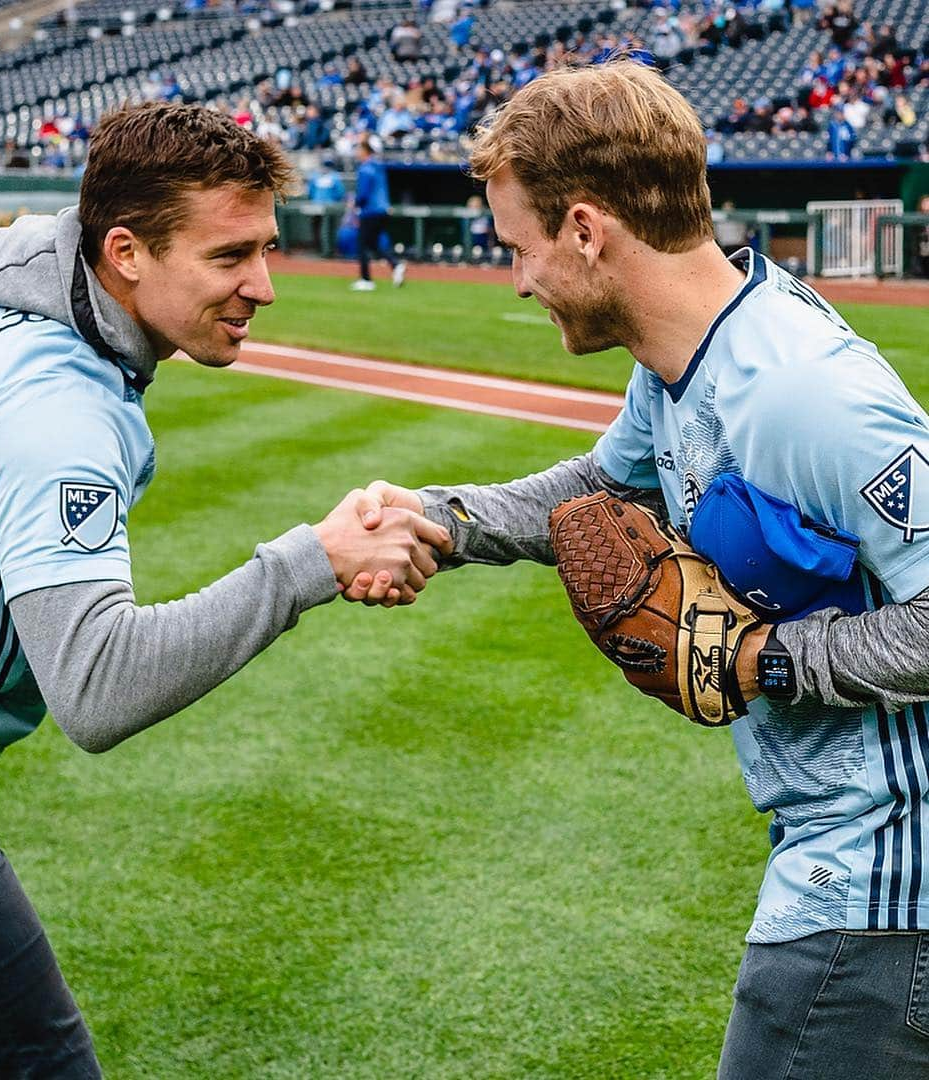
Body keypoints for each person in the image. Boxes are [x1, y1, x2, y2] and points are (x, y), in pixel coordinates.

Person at [348, 61, 929, 1078]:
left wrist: (763, 662)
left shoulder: (799, 390)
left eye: (518, 250)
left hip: (885, 890)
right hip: (845, 873)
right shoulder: (682, 361)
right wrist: (441, 519)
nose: (517, 279)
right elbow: (597, 489)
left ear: (584, 229)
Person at [0, 102, 449, 1077]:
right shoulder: (58, 408)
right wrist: (313, 562)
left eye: (265, 248)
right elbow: (96, 687)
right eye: (228, 258)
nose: (263, 284)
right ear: (125, 251)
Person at [350, 135, 406, 291]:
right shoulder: (378, 166)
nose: (356, 152)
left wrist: (354, 205)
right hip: (383, 210)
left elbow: (363, 194)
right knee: (373, 243)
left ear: (365, 151)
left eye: (359, 149)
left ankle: (366, 279)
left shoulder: (365, 168)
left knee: (362, 244)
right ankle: (395, 264)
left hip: (370, 211)